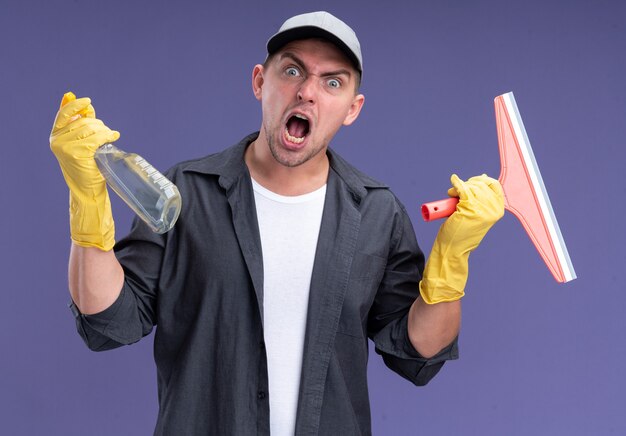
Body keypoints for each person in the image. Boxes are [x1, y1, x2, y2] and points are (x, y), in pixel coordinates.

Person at [50, 11, 504, 436]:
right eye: (292, 71)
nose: (307, 91)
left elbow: (418, 352)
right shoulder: (184, 192)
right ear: (259, 81)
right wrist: (87, 198)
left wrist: (452, 257)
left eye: (332, 82)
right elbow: (110, 319)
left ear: (352, 108)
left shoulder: (377, 213)